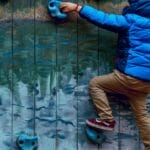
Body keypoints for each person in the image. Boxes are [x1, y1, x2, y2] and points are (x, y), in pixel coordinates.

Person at [60, 0, 150, 149]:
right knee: (142, 116)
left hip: (128, 77)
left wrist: (78, 8)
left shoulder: (131, 21)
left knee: (96, 84)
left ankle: (107, 119)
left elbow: (104, 19)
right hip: (146, 82)